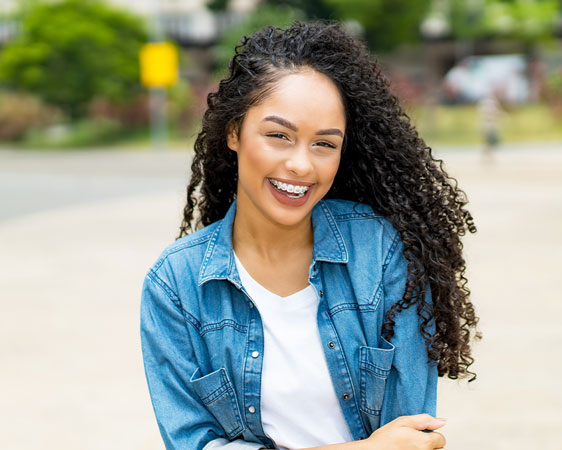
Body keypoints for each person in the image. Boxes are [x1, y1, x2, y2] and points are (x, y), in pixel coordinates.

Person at [140, 21, 480, 450]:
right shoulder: (177, 285)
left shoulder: (379, 251)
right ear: (233, 132)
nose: (301, 165)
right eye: (278, 136)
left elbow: (414, 439)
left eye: (324, 144)